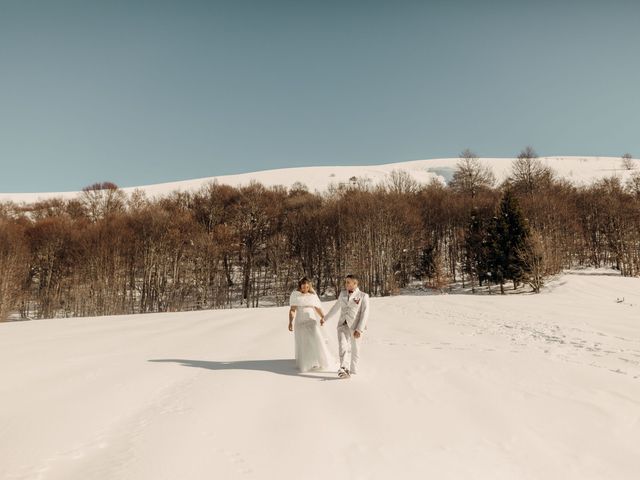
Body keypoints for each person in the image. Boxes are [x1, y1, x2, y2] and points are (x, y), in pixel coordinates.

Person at [323, 274, 370, 378]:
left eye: (348, 282)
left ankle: (353, 371)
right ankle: (344, 368)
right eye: (345, 282)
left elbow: (365, 314)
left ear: (355, 283)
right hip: (342, 325)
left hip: (355, 327)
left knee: (355, 349)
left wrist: (359, 329)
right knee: (342, 346)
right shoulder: (342, 294)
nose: (346, 284)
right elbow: (336, 307)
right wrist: (325, 318)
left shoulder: (363, 296)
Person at [288, 277, 335, 372]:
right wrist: (290, 322)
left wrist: (323, 317)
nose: (305, 289)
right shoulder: (295, 295)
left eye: (307, 287)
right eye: (303, 287)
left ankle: (319, 361)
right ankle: (307, 363)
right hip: (300, 322)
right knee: (304, 342)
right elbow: (292, 309)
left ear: (309, 287)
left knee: (316, 339)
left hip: (311, 321)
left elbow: (317, 308)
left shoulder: (312, 296)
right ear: (300, 287)